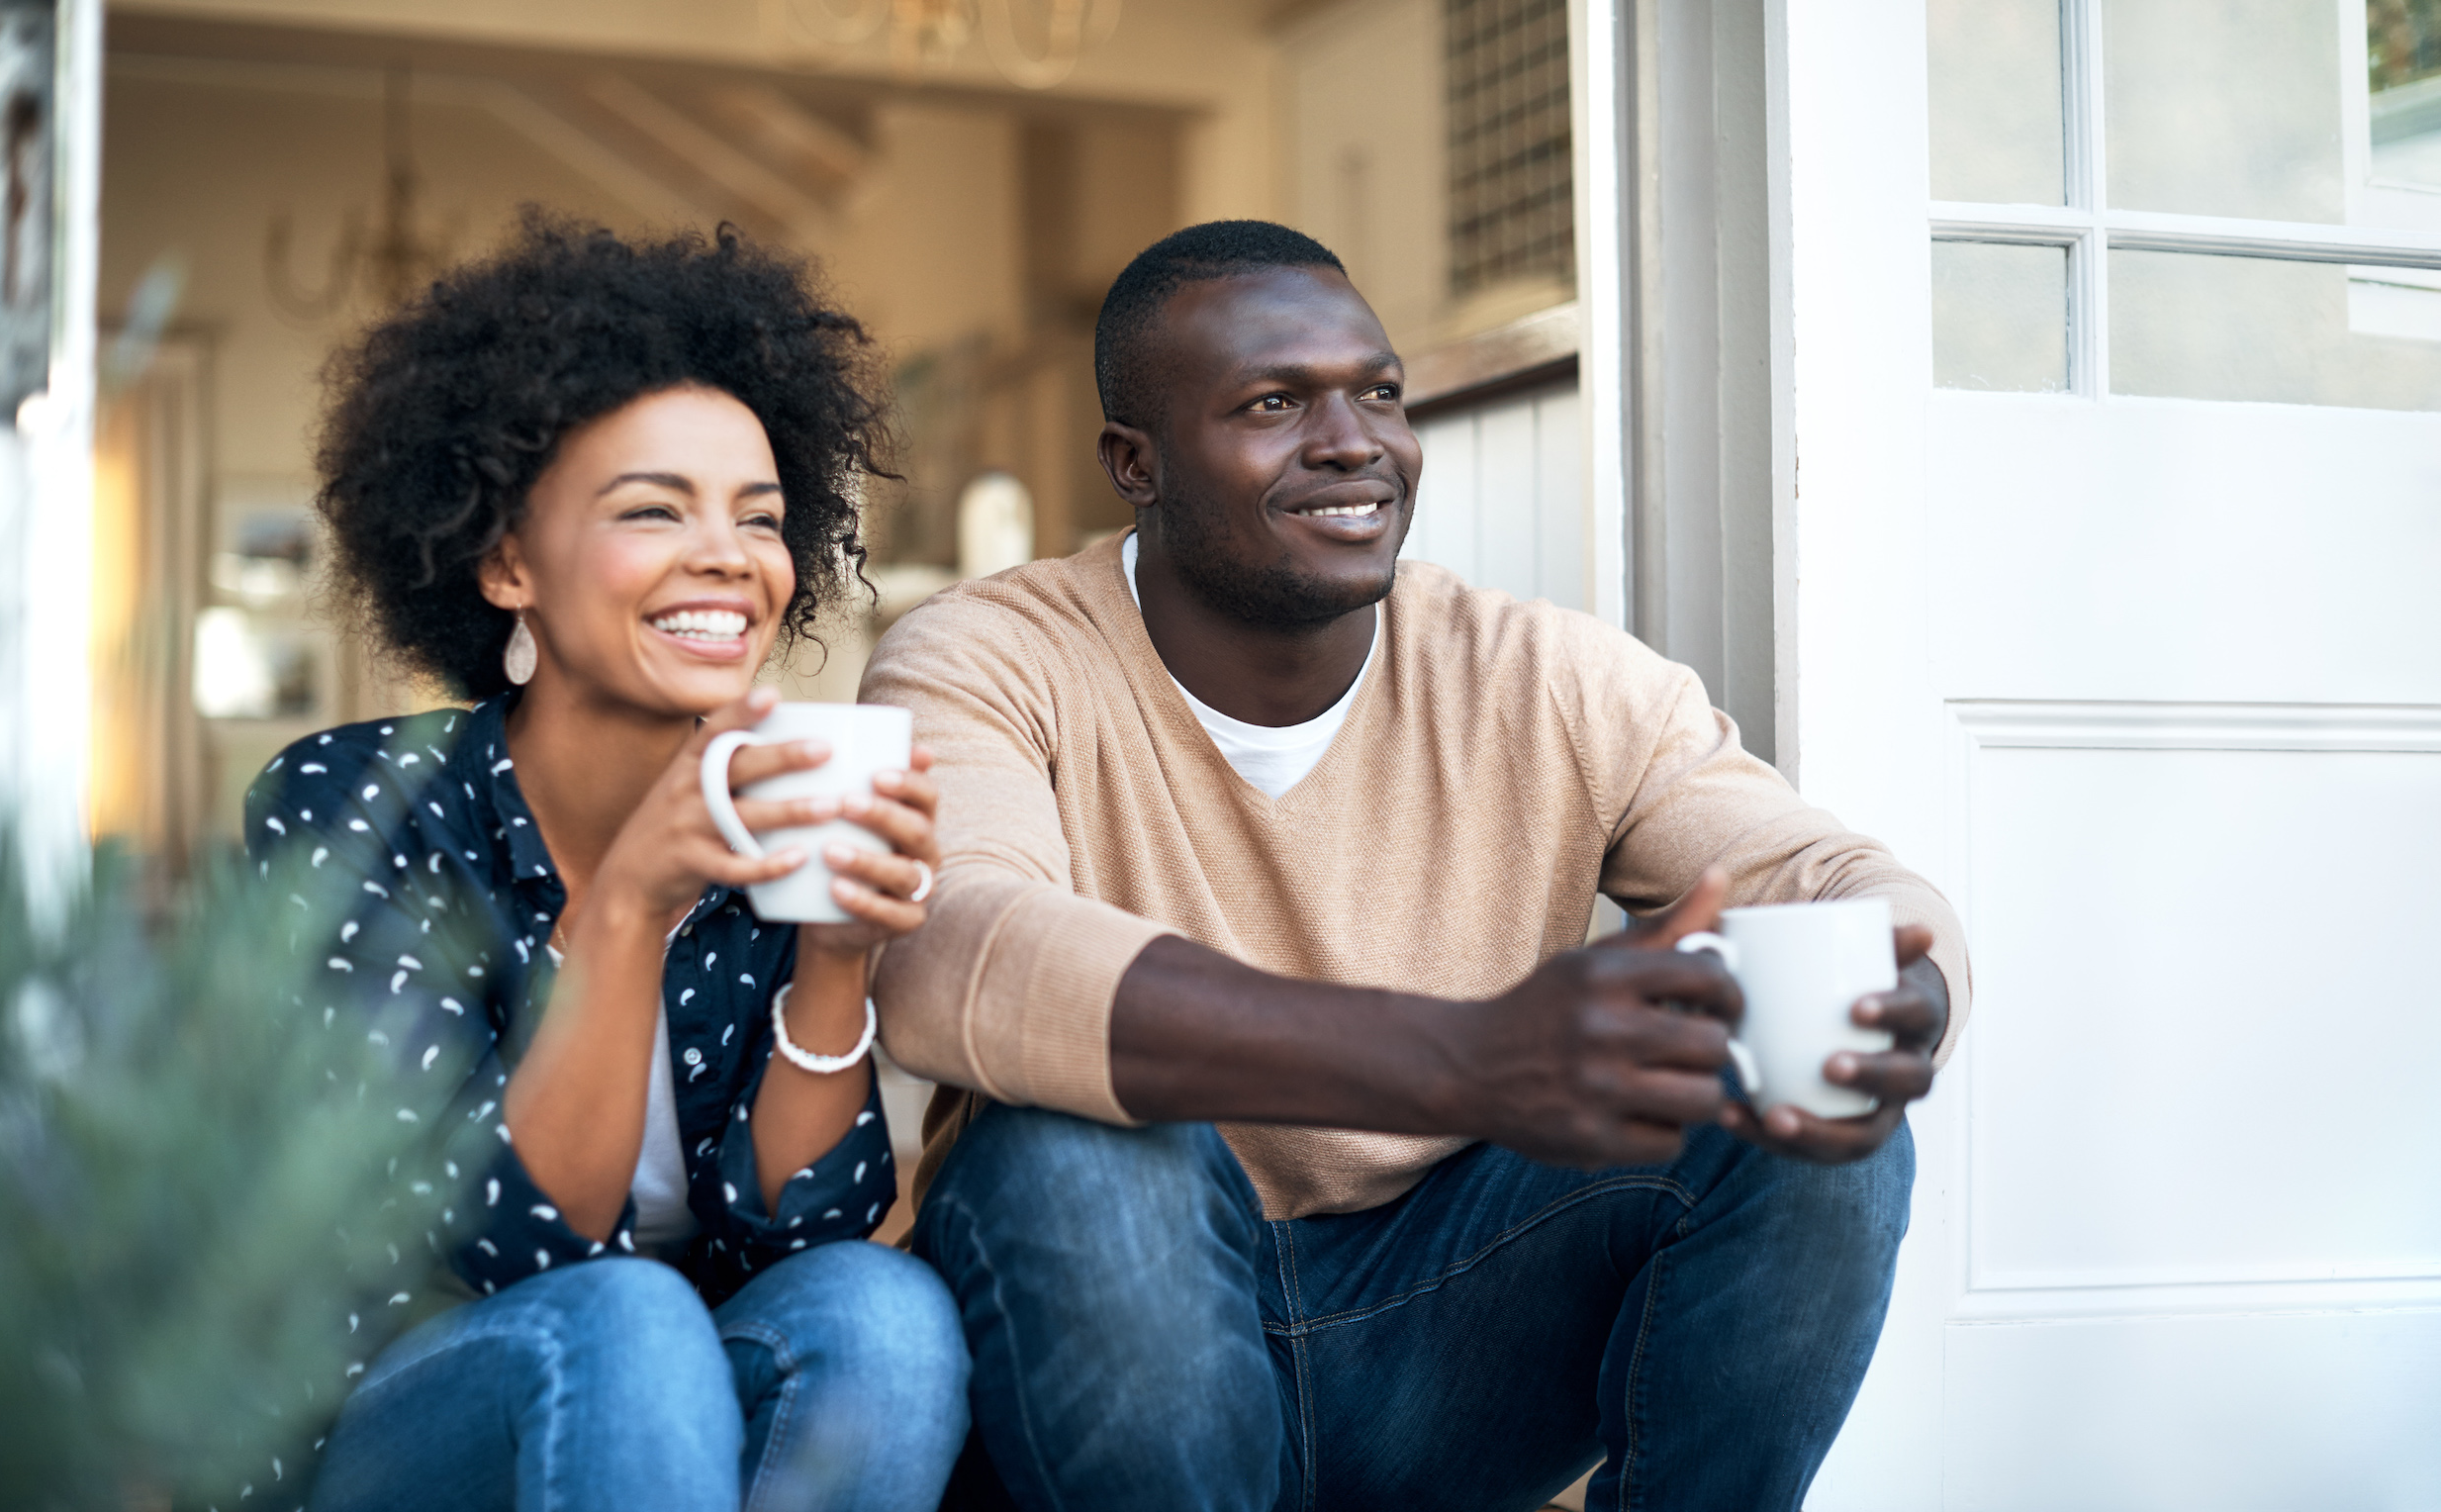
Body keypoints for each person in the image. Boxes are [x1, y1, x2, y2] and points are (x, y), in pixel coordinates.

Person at [859, 221, 1972, 1512]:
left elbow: (1831, 876)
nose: (1355, 442)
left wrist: (1905, 990)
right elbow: (952, 956)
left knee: (1803, 1105)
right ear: (1136, 462)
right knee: (1074, 1152)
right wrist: (1469, 1055)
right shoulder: (987, 654)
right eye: (1274, 404)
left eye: (1378, 393)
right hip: (1116, 1328)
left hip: (1444, 1336)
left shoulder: (1543, 675)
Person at [243, 216, 969, 1512]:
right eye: (654, 510)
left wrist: (838, 953)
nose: (729, 558)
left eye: (760, 517)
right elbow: (504, 1252)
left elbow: (798, 1233)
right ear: (508, 560)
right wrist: (633, 899)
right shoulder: (357, 807)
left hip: (671, 1387)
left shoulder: (772, 804)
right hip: (401, 1412)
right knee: (622, 1320)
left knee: (884, 1315)